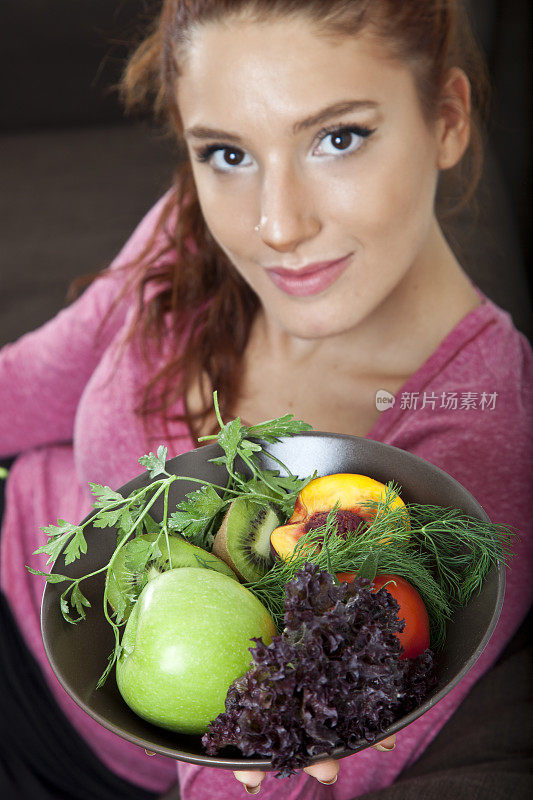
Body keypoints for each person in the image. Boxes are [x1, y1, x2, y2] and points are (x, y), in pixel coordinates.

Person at [0, 1, 531, 798]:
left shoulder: (478, 445)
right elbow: (29, 386)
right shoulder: (198, 225)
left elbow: (266, 778)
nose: (275, 226)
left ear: (447, 121)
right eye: (226, 152)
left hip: (69, 753)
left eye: (338, 138)